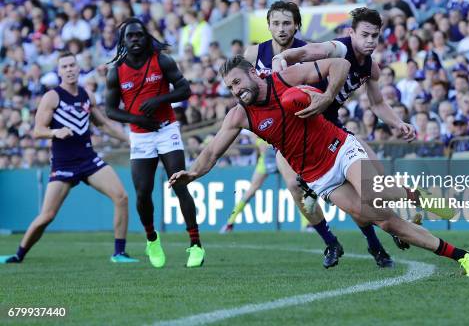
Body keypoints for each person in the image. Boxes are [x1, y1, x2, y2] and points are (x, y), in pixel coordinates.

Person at [169, 56, 469, 276]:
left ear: (253, 72)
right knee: (385, 222)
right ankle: (464, 257)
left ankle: (422, 197)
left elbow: (340, 65)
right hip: (319, 177)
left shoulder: (285, 79)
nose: (236, 91)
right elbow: (211, 151)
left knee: (376, 193)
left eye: (237, 82)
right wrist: (193, 173)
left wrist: (325, 98)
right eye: (230, 88)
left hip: (340, 148)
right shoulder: (240, 114)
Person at [273, 7, 455, 257]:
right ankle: (316, 200)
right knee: (306, 185)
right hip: (302, 128)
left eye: (375, 36)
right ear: (351, 33)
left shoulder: (371, 67)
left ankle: (399, 222)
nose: (370, 41)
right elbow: (309, 50)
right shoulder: (340, 49)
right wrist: (284, 57)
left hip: (330, 126)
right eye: (365, 35)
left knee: (377, 176)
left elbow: (377, 103)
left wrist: (398, 123)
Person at [243, 1, 382, 268]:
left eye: (287, 23)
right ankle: (331, 242)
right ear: (269, 25)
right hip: (284, 136)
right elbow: (241, 85)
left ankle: (374, 242)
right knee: (295, 188)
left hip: (319, 124)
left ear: (297, 25)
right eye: (276, 23)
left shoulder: (306, 52)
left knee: (357, 187)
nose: (282, 29)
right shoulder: (254, 54)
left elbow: (332, 78)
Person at [0, 52, 137, 264]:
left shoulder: (86, 95)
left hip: (89, 159)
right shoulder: (52, 96)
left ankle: (119, 253)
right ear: (59, 71)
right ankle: (18, 254)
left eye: (72, 65)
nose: (69, 69)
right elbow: (37, 130)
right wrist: (55, 132)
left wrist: (128, 139)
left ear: (78, 68)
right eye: (64, 67)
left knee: (122, 197)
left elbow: (101, 123)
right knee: (47, 215)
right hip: (64, 164)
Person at [105, 18, 204, 268]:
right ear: (123, 41)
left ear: (146, 37)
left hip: (166, 129)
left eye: (139, 35)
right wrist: (138, 119)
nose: (135, 40)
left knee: (180, 185)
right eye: (131, 36)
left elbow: (185, 90)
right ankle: (151, 239)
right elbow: (110, 110)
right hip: (140, 135)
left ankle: (195, 245)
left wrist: (161, 100)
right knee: (142, 193)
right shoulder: (115, 70)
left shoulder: (161, 60)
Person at [219, 138, 276, 233]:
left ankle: (307, 224)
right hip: (266, 156)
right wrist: (259, 142)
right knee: (252, 189)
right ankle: (230, 222)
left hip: (283, 153)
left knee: (294, 187)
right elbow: (253, 132)